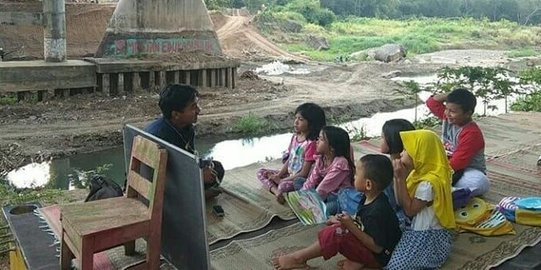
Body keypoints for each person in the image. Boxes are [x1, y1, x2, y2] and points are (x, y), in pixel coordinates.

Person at [272, 154, 402, 270]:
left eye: (356, 174)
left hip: (379, 258)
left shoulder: (378, 210)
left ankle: (298, 258)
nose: (354, 177)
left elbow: (377, 247)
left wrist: (350, 226)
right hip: (372, 249)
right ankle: (358, 260)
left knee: (338, 233)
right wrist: (343, 220)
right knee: (338, 226)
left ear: (368, 184)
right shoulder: (369, 197)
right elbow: (363, 222)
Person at [386, 130, 456, 269]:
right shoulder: (417, 173)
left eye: (406, 150)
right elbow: (399, 200)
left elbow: (410, 211)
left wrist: (399, 178)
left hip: (428, 235)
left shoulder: (429, 183)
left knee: (395, 267)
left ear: (420, 154)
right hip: (413, 224)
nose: (401, 154)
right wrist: (398, 178)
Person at [144, 84, 224, 199]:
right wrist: (198, 176)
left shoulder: (187, 127)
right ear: (176, 114)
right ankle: (196, 198)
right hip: (163, 185)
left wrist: (204, 168)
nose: (199, 110)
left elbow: (188, 160)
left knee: (216, 168)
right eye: (193, 107)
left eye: (197, 105)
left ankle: (197, 195)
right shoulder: (158, 137)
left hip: (180, 174)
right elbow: (159, 178)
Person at [256, 103, 326, 203]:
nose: (296, 122)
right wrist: (279, 175)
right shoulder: (295, 137)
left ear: (311, 123)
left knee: (283, 186)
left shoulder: (311, 144)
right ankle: (276, 191)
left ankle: (278, 188)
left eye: (301, 119)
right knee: (260, 172)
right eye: (296, 118)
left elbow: (304, 173)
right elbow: (290, 159)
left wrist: (282, 181)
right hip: (289, 173)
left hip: (299, 179)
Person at [426, 88, 489, 197]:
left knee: (480, 182)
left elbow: (457, 164)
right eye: (446, 109)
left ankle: (445, 190)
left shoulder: (471, 133)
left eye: (453, 111)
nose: (447, 113)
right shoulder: (449, 117)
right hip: (446, 164)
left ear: (468, 113)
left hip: (465, 170)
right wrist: (454, 94)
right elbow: (432, 102)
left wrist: (432, 174)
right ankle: (444, 189)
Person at [299, 126, 355, 215]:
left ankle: (319, 206)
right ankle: (315, 203)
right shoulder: (321, 159)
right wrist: (301, 196)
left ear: (332, 147)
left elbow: (323, 188)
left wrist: (309, 202)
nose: (316, 142)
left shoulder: (341, 163)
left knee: (325, 210)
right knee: (298, 182)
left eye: (321, 139)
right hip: (324, 194)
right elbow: (311, 180)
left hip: (338, 198)